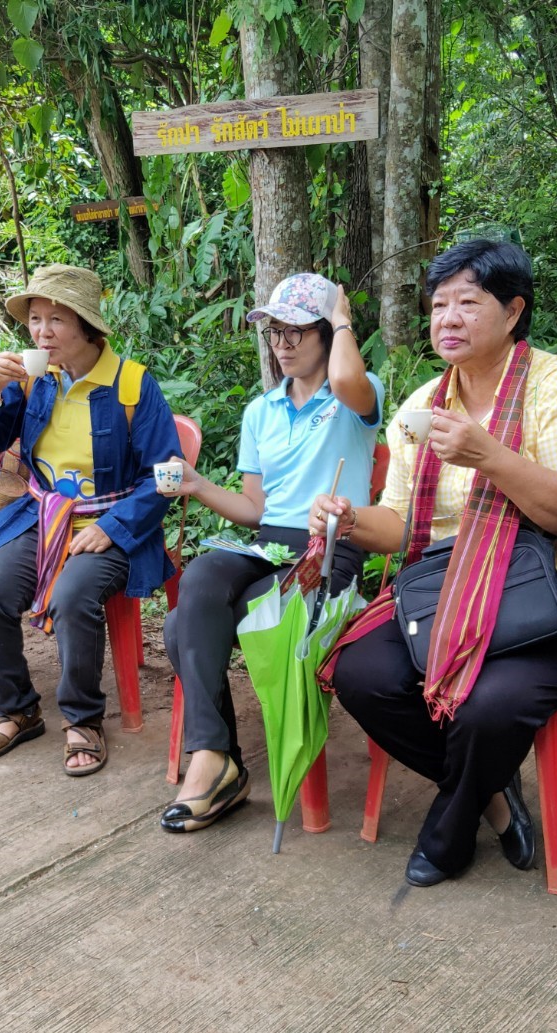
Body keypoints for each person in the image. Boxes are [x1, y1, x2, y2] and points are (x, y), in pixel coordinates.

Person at [314, 239, 557, 887]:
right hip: (446, 594)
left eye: (467, 301)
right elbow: (398, 525)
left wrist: (492, 456)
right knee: (359, 672)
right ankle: (490, 793)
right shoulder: (425, 402)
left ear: (514, 311)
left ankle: (449, 832)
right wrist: (347, 518)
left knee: (486, 707)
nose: (447, 317)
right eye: (438, 304)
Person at [158, 272, 383, 832]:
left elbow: (350, 377)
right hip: (268, 544)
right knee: (203, 575)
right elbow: (256, 508)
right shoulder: (261, 411)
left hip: (332, 545)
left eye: (298, 332)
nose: (282, 344)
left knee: (182, 626)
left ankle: (219, 768)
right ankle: (215, 755)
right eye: (275, 332)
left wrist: (341, 315)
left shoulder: (353, 397)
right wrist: (197, 484)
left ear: (325, 336)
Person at [0, 264, 180, 776]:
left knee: (74, 595)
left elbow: (165, 477)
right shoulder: (35, 382)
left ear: (86, 326)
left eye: (56, 319)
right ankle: (17, 709)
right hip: (43, 517)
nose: (42, 332)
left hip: (114, 522)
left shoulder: (133, 384)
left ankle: (83, 718)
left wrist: (113, 528)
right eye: (35, 319)